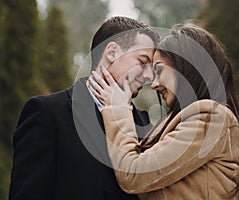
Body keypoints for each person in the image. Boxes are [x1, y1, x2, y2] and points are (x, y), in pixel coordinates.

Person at [89, 22, 239, 199]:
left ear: (186, 67)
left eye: (158, 70)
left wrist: (118, 109)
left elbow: (133, 175)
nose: (154, 84)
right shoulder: (185, 121)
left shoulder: (212, 118)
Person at [9, 16, 159, 200]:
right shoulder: (48, 113)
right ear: (112, 52)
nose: (149, 76)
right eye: (143, 62)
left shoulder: (145, 125)